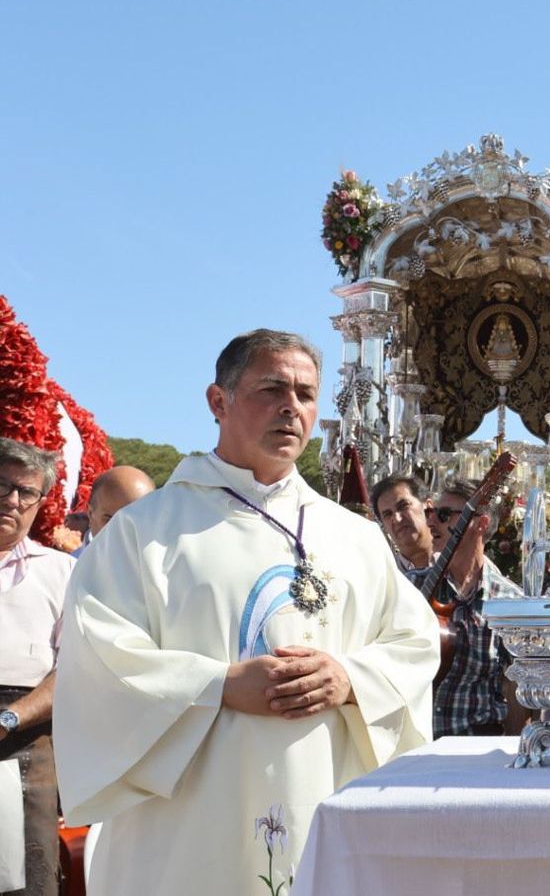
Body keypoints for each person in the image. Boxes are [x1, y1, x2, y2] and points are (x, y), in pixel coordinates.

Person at [53, 329, 438, 895]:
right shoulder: (144, 532)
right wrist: (219, 684)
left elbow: (415, 641)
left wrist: (350, 677)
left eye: (306, 395)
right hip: (189, 828)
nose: (292, 407)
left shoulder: (355, 536)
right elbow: (99, 657)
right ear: (218, 401)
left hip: (324, 800)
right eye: (272, 389)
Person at [0, 439, 74, 896]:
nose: (12, 500)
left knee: (29, 882)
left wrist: (9, 719)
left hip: (28, 741)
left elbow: (76, 669)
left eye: (25, 492)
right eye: (2, 485)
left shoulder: (62, 572)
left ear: (40, 502)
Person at [407, 480, 525, 737]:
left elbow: (516, 683)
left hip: (475, 748)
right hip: (414, 747)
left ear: (480, 524)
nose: (431, 522)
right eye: (431, 513)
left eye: (444, 514)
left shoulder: (510, 601)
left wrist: (509, 750)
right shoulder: (411, 587)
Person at [81, 465, 155, 551]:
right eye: (109, 520)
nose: (121, 532)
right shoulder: (71, 563)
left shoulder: (164, 563)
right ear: (90, 513)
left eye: (135, 521)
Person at [371, 474, 434, 571]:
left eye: (403, 506)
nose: (397, 519)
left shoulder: (458, 563)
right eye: (387, 514)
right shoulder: (383, 577)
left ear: (428, 506)